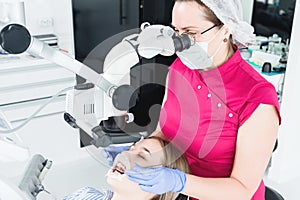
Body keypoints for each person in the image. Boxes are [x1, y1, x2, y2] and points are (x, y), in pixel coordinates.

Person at [105, 0, 281, 200]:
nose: (181, 42)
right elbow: (164, 131)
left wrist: (178, 181)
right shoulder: (180, 67)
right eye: (176, 31)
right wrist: (135, 152)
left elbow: (242, 190)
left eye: (190, 33)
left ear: (225, 29)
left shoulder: (257, 97)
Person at [63, 136, 190, 200]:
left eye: (142, 156)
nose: (125, 154)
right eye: (131, 149)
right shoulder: (85, 195)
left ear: (159, 186)